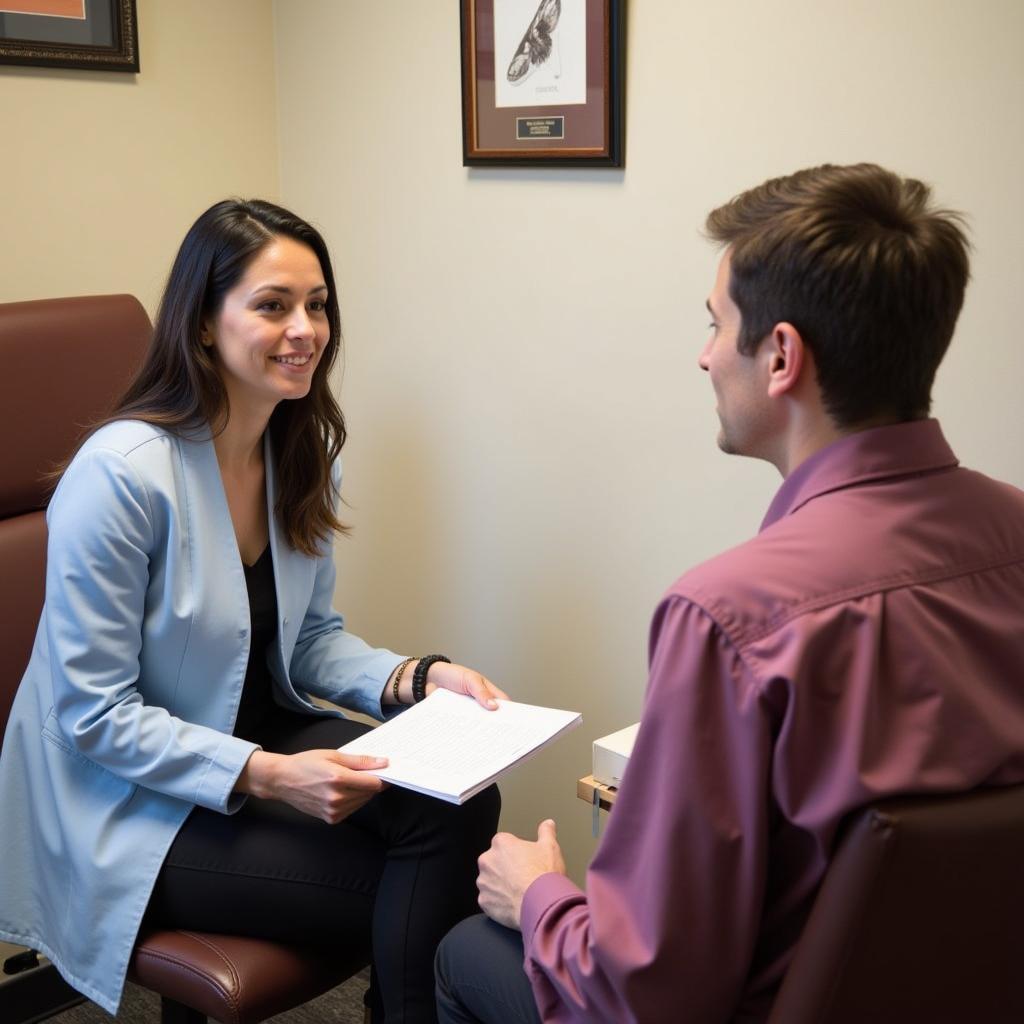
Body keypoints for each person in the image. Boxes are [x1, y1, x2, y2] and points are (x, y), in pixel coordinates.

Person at [434, 163, 1024, 1023]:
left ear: (781, 355)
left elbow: (648, 994)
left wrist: (538, 896)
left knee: (466, 951)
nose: (705, 354)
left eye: (716, 325)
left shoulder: (729, 617)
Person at [0, 198, 506, 1023]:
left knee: (458, 801)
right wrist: (271, 775)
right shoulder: (121, 476)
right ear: (204, 324)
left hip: (251, 737)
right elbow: (92, 715)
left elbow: (308, 644)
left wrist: (419, 679)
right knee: (417, 890)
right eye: (273, 306)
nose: (305, 329)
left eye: (317, 304)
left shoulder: (299, 451)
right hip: (122, 800)